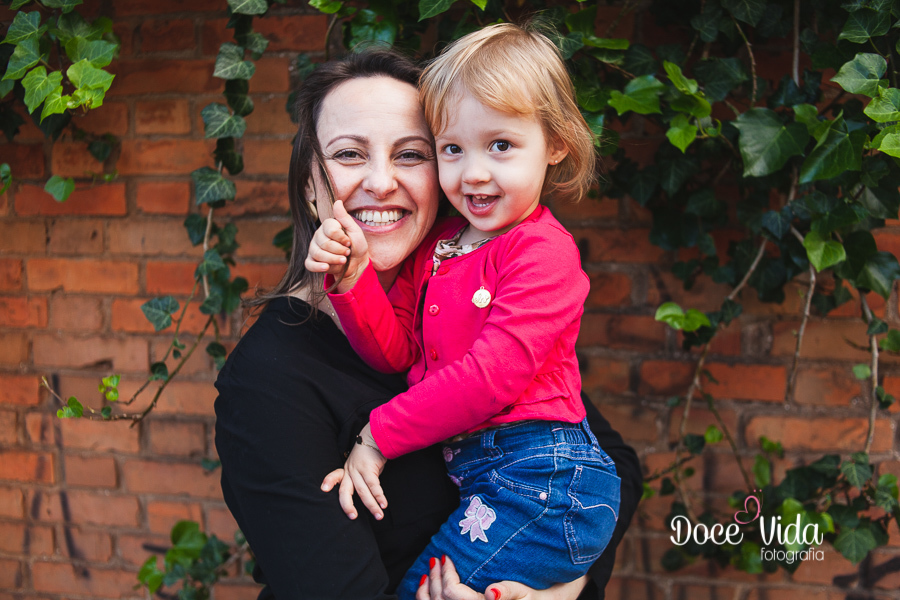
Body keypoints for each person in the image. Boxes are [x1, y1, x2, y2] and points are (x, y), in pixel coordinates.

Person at [214, 48, 642, 600]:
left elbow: (609, 463)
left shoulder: (500, 284)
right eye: (349, 154)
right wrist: (351, 284)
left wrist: (563, 589)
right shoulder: (267, 381)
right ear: (308, 185)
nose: (382, 182)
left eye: (411, 154)